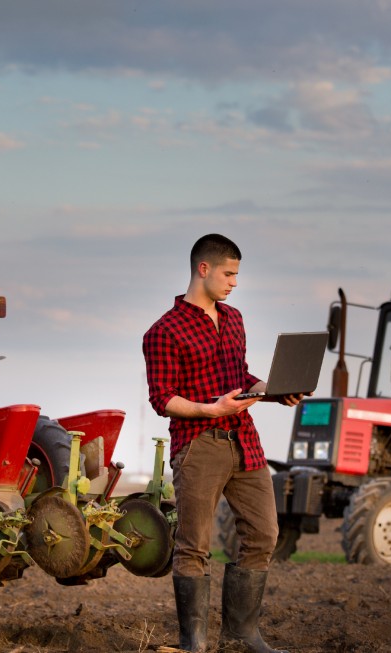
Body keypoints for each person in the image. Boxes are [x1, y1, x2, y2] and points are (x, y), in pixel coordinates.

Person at [143, 234, 301, 653]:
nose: (234, 282)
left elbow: (241, 377)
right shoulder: (163, 331)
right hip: (199, 444)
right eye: (229, 273)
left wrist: (271, 389)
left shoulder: (234, 319)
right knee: (194, 544)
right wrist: (212, 410)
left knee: (265, 534)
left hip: (245, 440)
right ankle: (193, 643)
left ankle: (242, 634)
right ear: (204, 269)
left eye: (237, 274)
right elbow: (162, 398)